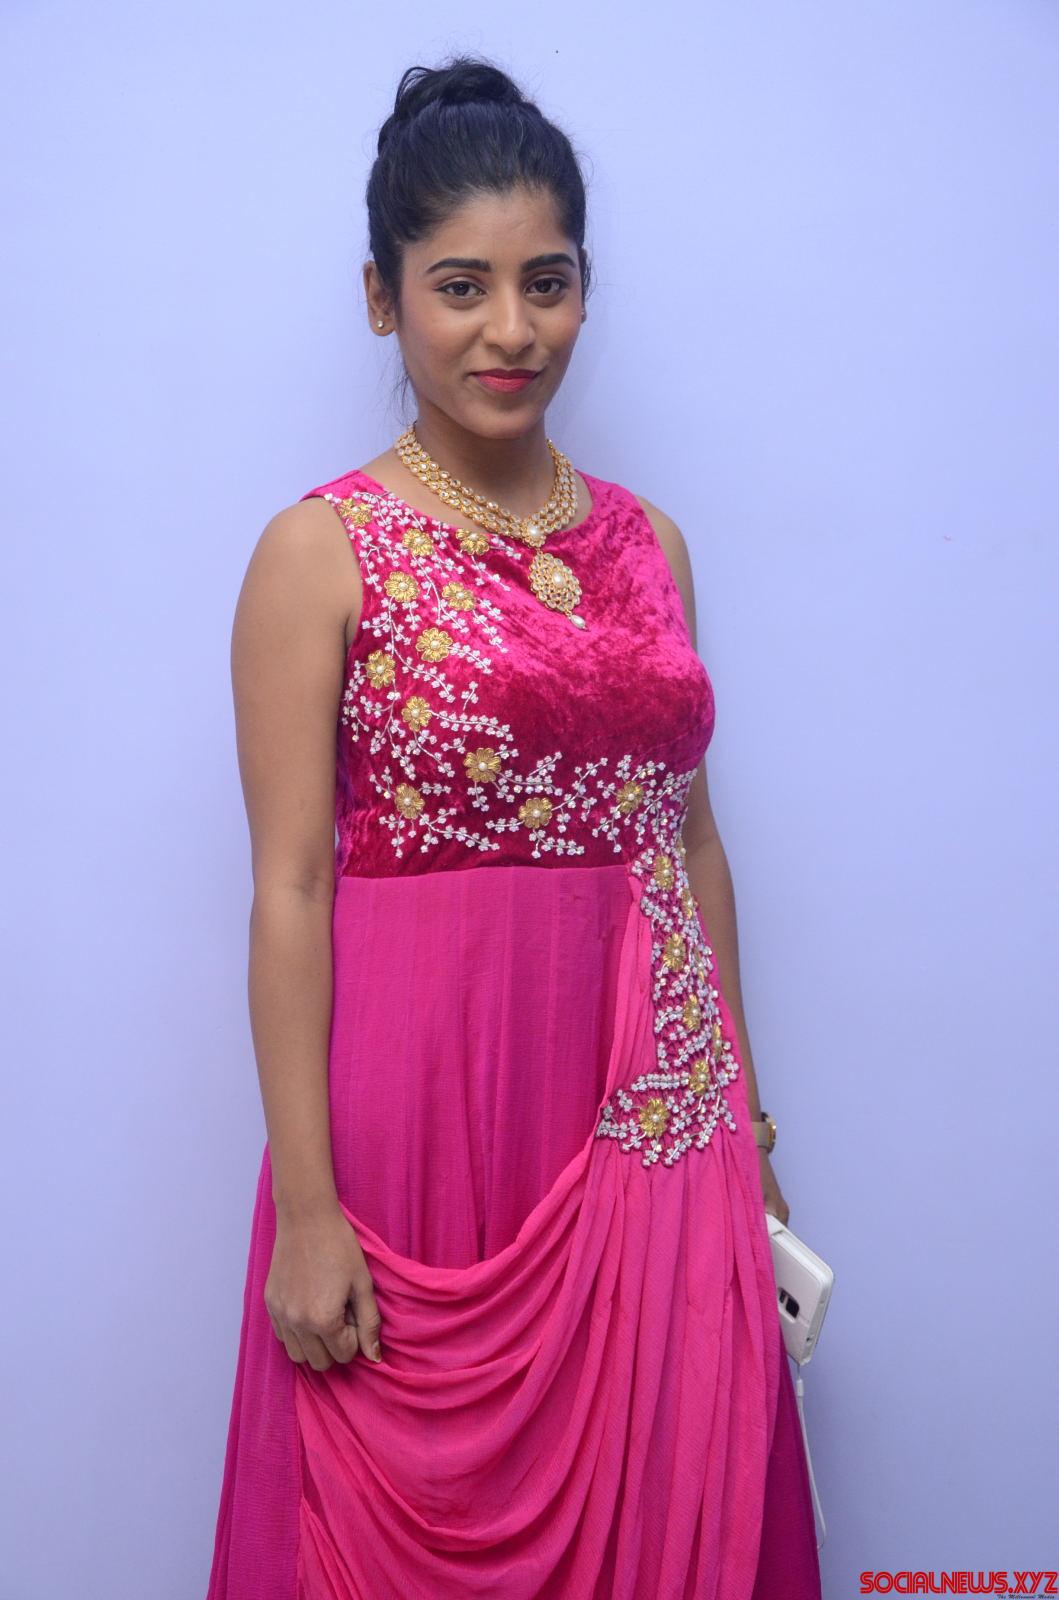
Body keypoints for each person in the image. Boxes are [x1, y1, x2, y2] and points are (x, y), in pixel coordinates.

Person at [204, 53, 822, 1600]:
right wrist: (307, 1212)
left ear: (583, 291)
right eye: (460, 287)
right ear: (382, 299)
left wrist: (747, 1127)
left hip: (655, 1103)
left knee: (678, 1497)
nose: (510, 330)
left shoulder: (650, 541)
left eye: (546, 283)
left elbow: (689, 844)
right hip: (425, 1114)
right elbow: (289, 889)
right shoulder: (321, 551)